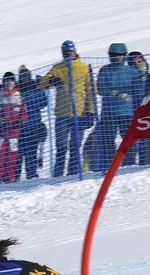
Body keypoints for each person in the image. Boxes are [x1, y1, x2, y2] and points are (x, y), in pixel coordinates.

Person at [39, 40, 96, 176]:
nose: (67, 55)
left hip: (80, 113)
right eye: (65, 53)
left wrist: (91, 111)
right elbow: (42, 82)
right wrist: (50, 80)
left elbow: (91, 90)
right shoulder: (57, 68)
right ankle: (58, 173)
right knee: (61, 146)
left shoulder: (83, 68)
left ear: (75, 52)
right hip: (62, 114)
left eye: (70, 52)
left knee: (75, 145)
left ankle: (73, 172)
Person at [95, 42, 140, 172]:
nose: (116, 57)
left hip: (127, 112)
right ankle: (110, 166)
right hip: (109, 113)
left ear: (124, 55)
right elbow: (101, 88)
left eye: (119, 55)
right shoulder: (105, 70)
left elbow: (138, 90)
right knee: (107, 140)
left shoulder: (132, 72)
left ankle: (129, 164)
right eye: (113, 55)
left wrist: (142, 76)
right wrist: (116, 93)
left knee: (128, 140)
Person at [0, 72, 27, 184]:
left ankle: (10, 180)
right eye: (6, 81)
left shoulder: (19, 96)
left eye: (11, 80)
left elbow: (24, 113)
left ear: (14, 82)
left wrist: (22, 120)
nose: (8, 83)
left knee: (12, 158)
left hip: (13, 133)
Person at [125, 51, 150, 165]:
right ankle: (129, 162)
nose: (137, 64)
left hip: (147, 110)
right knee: (131, 137)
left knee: (147, 138)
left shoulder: (149, 77)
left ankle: (147, 161)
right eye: (134, 62)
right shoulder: (128, 77)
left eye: (139, 61)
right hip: (131, 110)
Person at [17, 65, 47, 179]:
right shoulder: (17, 89)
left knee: (31, 153)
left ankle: (31, 175)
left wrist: (39, 88)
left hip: (33, 125)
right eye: (22, 74)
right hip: (20, 127)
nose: (25, 76)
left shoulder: (35, 88)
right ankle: (16, 177)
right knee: (19, 154)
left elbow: (43, 102)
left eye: (27, 73)